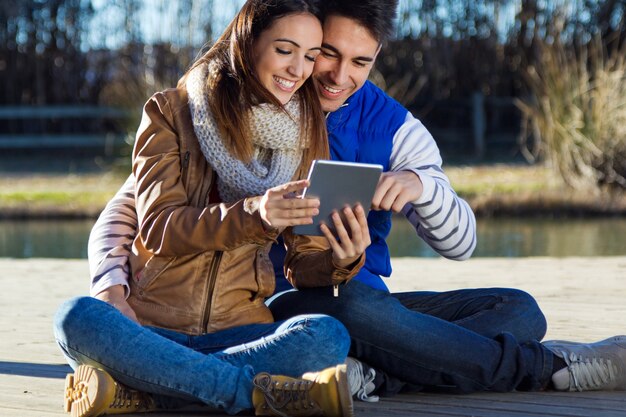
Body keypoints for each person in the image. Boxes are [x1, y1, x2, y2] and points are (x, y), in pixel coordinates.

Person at [86, 0, 626, 402]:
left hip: (356, 294)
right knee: (348, 311)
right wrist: (111, 283)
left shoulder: (385, 127)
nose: (336, 76)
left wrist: (419, 189)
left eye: (361, 62)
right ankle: (548, 368)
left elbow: (462, 243)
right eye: (325, 54)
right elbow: (134, 211)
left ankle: (372, 373)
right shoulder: (221, 109)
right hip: (276, 304)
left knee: (517, 309)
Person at [54, 1, 371, 416]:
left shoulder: (307, 132)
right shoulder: (171, 113)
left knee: (327, 336)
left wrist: (342, 258)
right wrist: (256, 213)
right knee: (76, 317)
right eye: (285, 50)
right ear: (248, 43)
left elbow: (303, 263)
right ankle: (255, 393)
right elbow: (160, 229)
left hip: (239, 333)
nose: (298, 69)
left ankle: (150, 389)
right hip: (148, 329)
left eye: (310, 56)